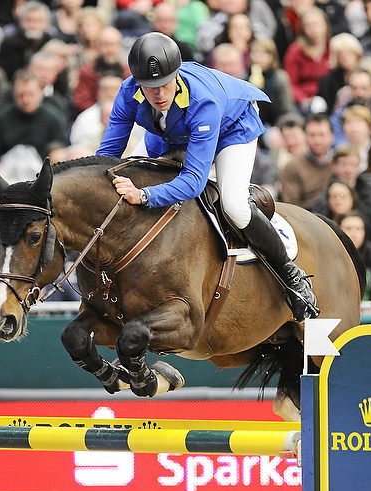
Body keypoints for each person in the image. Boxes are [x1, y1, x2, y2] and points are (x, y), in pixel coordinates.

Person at [96, 32, 318, 320]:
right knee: (127, 171)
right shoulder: (128, 93)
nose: (159, 94)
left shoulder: (203, 101)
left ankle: (292, 277)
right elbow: (107, 155)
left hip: (231, 129)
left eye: (165, 84)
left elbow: (193, 181)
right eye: (150, 88)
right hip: (171, 131)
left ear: (176, 75)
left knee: (234, 205)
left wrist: (144, 195)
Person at [278, 113, 335, 209]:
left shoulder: (338, 163)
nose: (317, 140)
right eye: (312, 135)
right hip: (305, 215)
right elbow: (291, 207)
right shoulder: (292, 167)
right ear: (305, 136)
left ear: (332, 136)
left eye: (322, 135)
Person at [339, 211, 371, 309]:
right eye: (348, 228)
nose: (353, 234)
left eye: (358, 229)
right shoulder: (330, 261)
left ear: (365, 232)